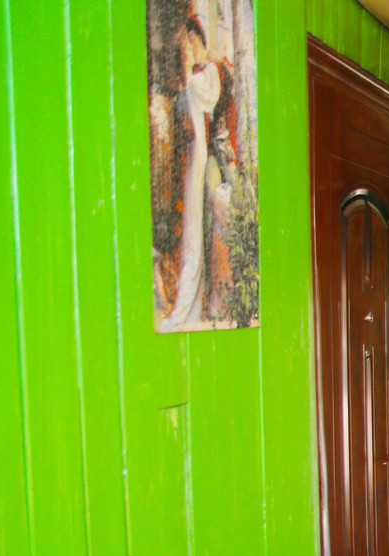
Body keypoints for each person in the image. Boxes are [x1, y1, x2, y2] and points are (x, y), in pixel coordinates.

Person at [161, 14, 223, 331]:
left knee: (197, 234)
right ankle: (187, 307)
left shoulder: (208, 71)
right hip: (189, 160)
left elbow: (208, 99)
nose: (187, 47)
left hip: (205, 160)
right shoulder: (191, 75)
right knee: (189, 234)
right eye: (184, 42)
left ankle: (189, 307)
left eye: (190, 40)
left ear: (198, 39)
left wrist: (190, 70)